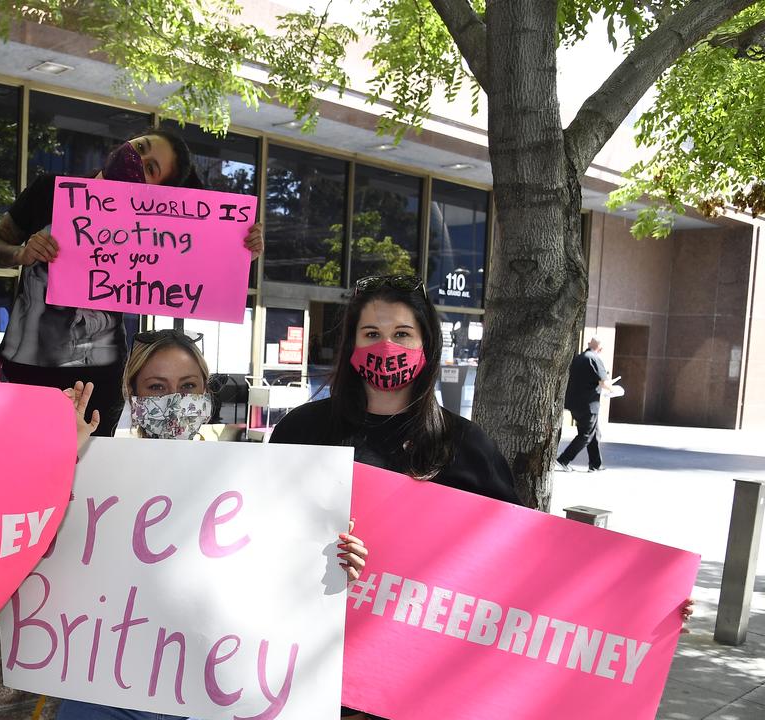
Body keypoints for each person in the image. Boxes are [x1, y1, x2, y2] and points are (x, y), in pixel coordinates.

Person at [55, 329, 368, 720]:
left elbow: (279, 570)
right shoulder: (93, 473)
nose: (175, 399)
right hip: (105, 689)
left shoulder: (252, 481)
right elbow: (44, 545)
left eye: (189, 386)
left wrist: (330, 561)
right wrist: (61, 457)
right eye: (157, 386)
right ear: (133, 397)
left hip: (208, 691)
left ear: (206, 394)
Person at [268, 274, 515, 720]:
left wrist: (646, 604)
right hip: (307, 666)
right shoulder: (301, 431)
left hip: (418, 679)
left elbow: (524, 561)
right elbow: (260, 530)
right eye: (371, 334)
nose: (386, 346)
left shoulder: (467, 447)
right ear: (351, 346)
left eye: (402, 334)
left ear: (427, 345)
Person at [0, 133, 264, 436]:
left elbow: (197, 274)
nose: (137, 159)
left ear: (159, 195)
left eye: (151, 168)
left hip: (97, 386)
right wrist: (20, 253)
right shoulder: (49, 190)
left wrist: (240, 251)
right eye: (141, 148)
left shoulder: (155, 229)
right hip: (20, 372)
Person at [556, 338, 612, 472]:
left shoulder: (579, 358)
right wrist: (613, 390)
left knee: (594, 433)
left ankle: (595, 464)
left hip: (575, 403)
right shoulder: (594, 359)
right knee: (586, 435)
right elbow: (603, 382)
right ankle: (564, 459)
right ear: (601, 348)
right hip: (589, 404)